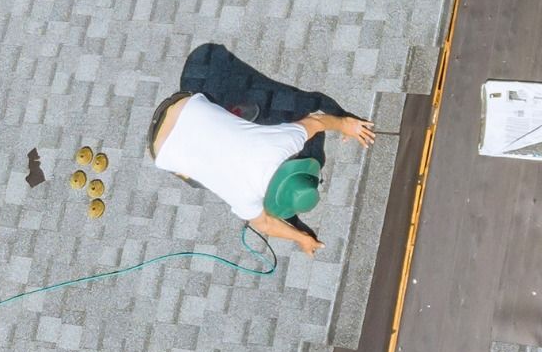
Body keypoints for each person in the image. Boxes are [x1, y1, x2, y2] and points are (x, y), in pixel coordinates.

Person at [146, 92, 373, 255]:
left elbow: (317, 121)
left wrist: (345, 124)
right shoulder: (244, 198)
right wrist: (301, 238)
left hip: (185, 103)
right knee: (196, 181)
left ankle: (234, 114)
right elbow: (264, 224)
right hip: (159, 150)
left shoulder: (283, 143)